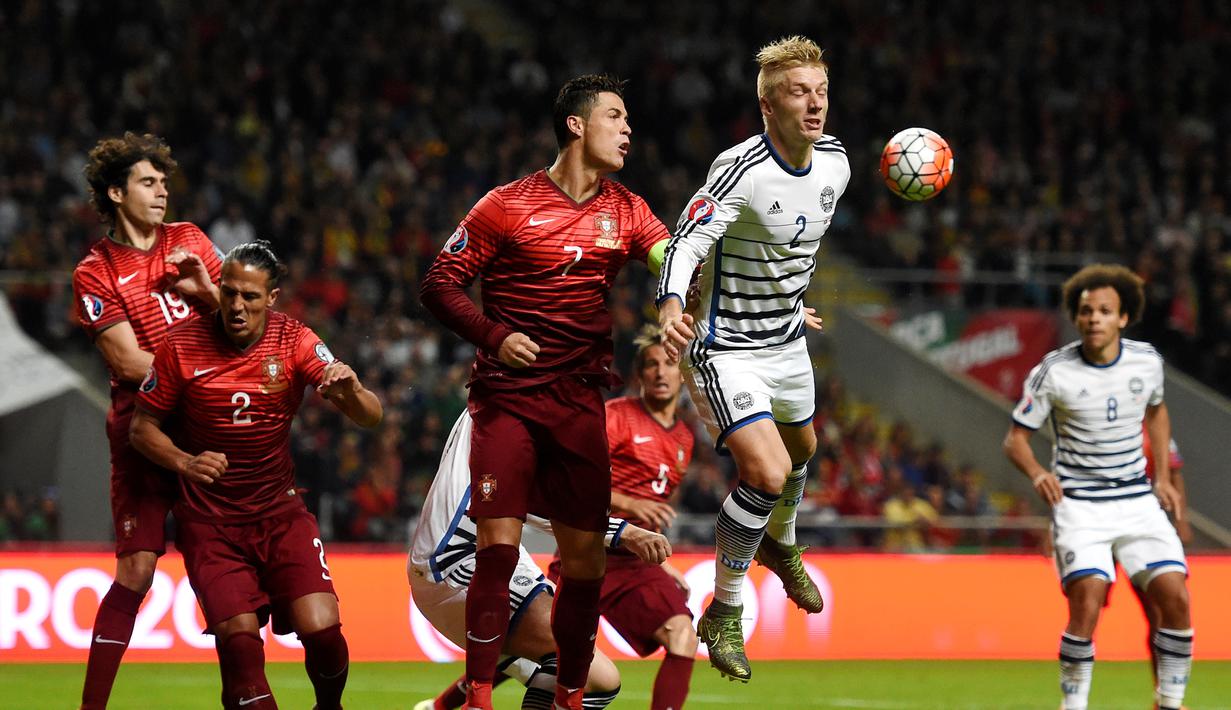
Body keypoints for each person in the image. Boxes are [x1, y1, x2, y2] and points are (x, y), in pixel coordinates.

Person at [419, 73, 672, 710]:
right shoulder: (506, 204)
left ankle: (566, 697)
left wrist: (695, 294)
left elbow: (674, 261)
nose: (628, 129)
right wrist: (492, 333)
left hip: (579, 401)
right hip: (506, 396)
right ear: (576, 125)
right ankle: (477, 695)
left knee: (583, 563)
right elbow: (439, 283)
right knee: (497, 545)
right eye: (615, 116)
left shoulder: (628, 210)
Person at [656, 35, 844, 681]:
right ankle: (724, 612)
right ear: (767, 105)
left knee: (803, 454)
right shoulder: (739, 168)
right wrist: (669, 306)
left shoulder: (837, 163)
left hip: (786, 340)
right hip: (725, 348)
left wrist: (793, 303)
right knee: (766, 473)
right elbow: (685, 242)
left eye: (820, 92)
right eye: (798, 93)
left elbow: (789, 249)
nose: (814, 105)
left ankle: (781, 545)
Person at [130, 241, 383, 709]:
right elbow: (141, 428)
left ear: (272, 297)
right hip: (210, 524)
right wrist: (186, 462)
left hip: (279, 513)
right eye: (228, 293)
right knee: (241, 647)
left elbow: (371, 415)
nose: (236, 306)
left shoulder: (295, 340)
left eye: (249, 296)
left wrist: (350, 393)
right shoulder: (182, 346)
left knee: (324, 632)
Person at [71, 132, 222, 709]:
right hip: (143, 431)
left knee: (224, 570)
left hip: (207, 425)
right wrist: (205, 371)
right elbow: (128, 362)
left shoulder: (189, 240)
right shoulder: (95, 271)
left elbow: (241, 319)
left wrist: (208, 294)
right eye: (148, 182)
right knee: (135, 570)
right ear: (116, 192)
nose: (163, 192)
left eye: (164, 182)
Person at [1002, 264, 1192, 710]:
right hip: (1081, 506)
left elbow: (1158, 412)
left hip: (1136, 501)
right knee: (1087, 604)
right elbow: (1015, 439)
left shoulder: (1147, 362)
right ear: (1076, 316)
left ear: (1123, 318)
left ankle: (1169, 702)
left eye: (1104, 311)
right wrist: (1038, 473)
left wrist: (1162, 476)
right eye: (1086, 311)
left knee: (1176, 598)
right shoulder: (1054, 370)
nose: (1093, 318)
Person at [408, 410, 672, 710]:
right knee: (588, 674)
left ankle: (442, 705)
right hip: (456, 558)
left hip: (491, 549)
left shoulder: (509, 397)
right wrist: (622, 531)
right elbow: (509, 497)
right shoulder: (510, 404)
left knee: (582, 677)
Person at [548, 326, 698, 709]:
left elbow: (656, 512)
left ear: (683, 373)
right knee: (546, 650)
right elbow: (573, 481)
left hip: (632, 563)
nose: (660, 373)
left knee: (683, 634)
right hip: (588, 547)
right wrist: (629, 505)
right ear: (639, 375)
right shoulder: (616, 417)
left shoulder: (684, 439)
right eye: (651, 365)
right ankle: (447, 703)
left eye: (669, 364)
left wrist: (663, 567)